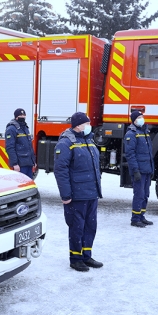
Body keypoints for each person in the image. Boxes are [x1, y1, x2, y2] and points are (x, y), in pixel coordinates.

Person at [54, 112, 103, 272]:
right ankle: (75, 259)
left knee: (90, 226)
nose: (89, 126)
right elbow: (61, 170)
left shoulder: (88, 140)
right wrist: (66, 195)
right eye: (86, 123)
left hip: (91, 193)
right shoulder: (66, 143)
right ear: (78, 125)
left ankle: (86, 256)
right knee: (77, 227)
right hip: (77, 194)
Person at [124, 110, 155, 228]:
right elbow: (130, 154)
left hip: (146, 169)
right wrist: (135, 170)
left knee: (145, 194)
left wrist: (151, 169)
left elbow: (148, 154)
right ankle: (135, 218)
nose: (142, 118)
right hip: (139, 171)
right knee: (139, 194)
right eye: (139, 117)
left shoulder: (145, 132)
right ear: (134, 120)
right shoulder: (131, 134)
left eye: (142, 116)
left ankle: (141, 216)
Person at [5, 108, 36, 178]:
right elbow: (10, 147)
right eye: (20, 115)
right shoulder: (11, 129)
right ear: (16, 117)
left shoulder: (25, 128)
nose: (23, 117)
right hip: (20, 165)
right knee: (20, 185)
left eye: (24, 115)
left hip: (28, 164)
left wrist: (33, 161)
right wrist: (15, 164)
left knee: (28, 185)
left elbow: (29, 146)